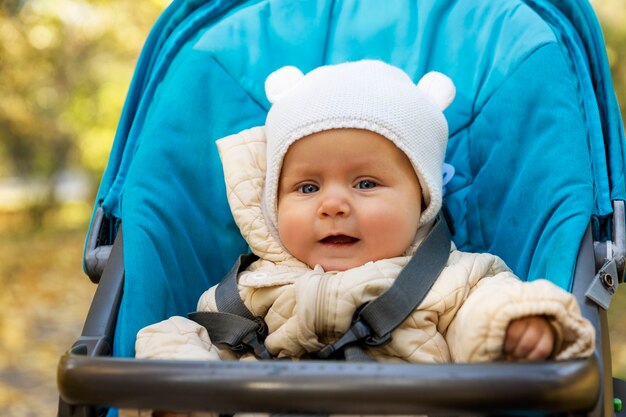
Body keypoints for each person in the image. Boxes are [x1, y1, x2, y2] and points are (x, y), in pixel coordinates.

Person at [129, 60, 595, 415]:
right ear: (274, 204)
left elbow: (486, 311)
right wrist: (182, 387)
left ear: (422, 197)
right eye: (307, 188)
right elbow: (193, 338)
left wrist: (515, 326)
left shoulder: (458, 282)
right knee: (169, 334)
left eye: (366, 183)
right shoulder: (249, 291)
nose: (332, 205)